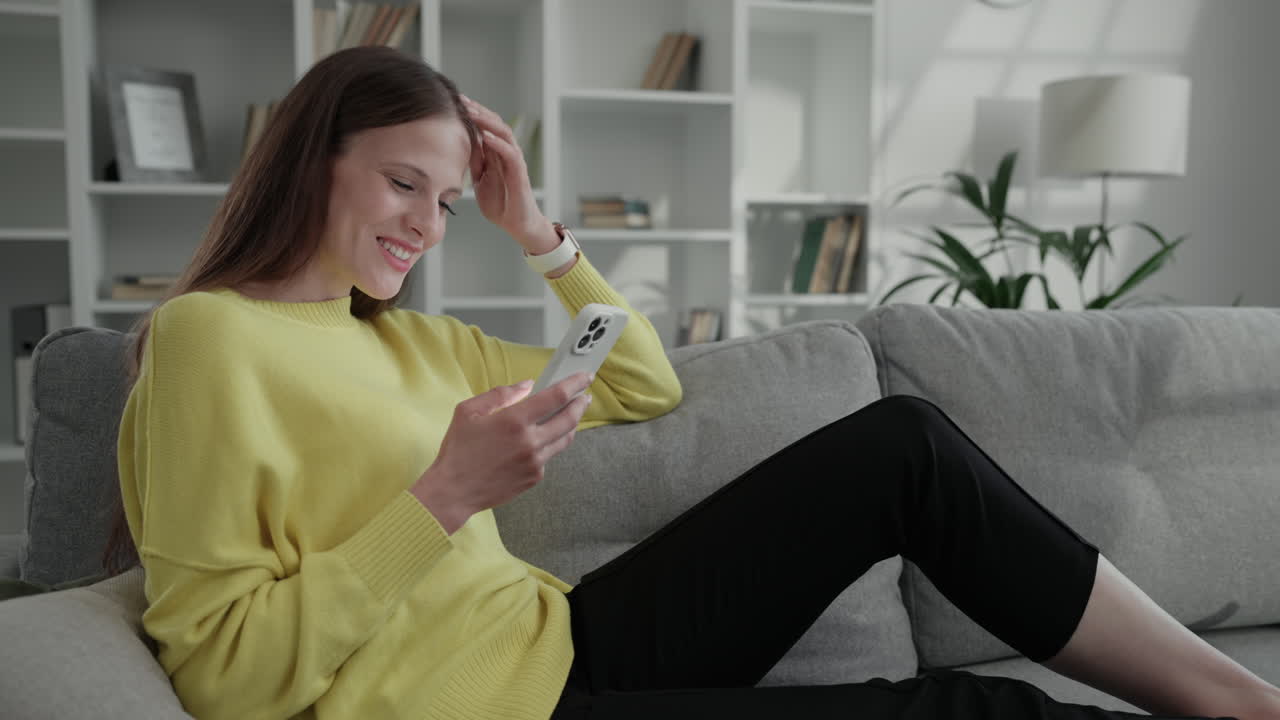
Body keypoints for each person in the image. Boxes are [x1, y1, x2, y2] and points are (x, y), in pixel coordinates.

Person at [100, 46, 1280, 720]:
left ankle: (1235, 701)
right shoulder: (210, 344)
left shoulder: (413, 342)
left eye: (448, 203)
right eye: (404, 185)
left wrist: (539, 236)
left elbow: (641, 387)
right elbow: (220, 673)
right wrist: (440, 501)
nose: (426, 227)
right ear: (316, 157)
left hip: (567, 644)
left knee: (900, 445)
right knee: (981, 712)